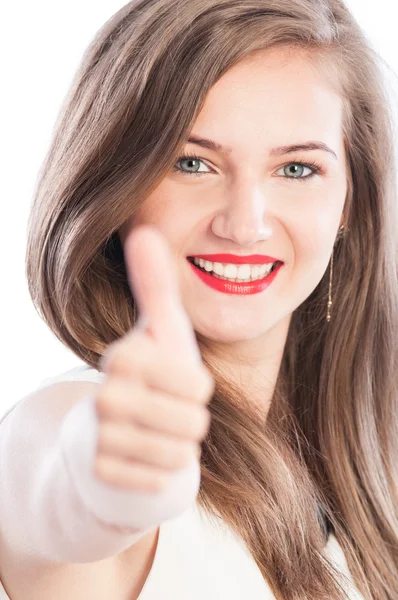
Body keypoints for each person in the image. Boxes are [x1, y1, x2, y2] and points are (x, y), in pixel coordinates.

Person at [1, 0, 397, 598]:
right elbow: (52, 483)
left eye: (296, 170)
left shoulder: (362, 481)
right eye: (193, 163)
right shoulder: (71, 416)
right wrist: (104, 485)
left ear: (347, 203)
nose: (244, 224)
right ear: (118, 188)